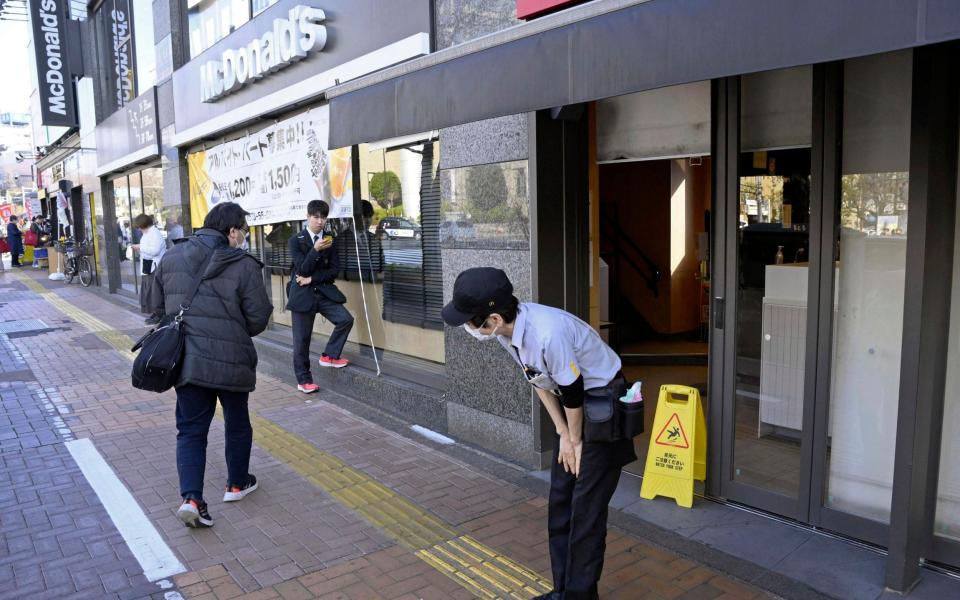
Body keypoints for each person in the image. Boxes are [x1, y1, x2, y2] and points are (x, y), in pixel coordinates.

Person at [441, 268, 635, 600]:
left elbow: (573, 392)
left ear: (495, 318)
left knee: (585, 511)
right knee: (561, 500)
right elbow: (537, 379)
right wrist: (562, 433)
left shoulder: (548, 333)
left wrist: (574, 441)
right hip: (575, 408)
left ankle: (578, 595)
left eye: (471, 322)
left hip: (603, 405)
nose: (469, 329)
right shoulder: (507, 334)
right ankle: (563, 590)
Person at [148, 201, 272, 528]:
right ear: (232, 232)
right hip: (232, 360)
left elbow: (156, 307)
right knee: (237, 419)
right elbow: (259, 318)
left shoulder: (172, 256)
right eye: (243, 231)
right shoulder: (244, 264)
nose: (244, 237)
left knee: (190, 429)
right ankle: (236, 483)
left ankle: (191, 498)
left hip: (188, 360)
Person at [287, 199, 354, 393]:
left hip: (323, 292)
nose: (320, 221)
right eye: (316, 217)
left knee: (345, 319)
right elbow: (301, 268)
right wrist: (315, 250)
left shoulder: (331, 239)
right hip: (302, 296)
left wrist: (312, 279)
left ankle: (329, 355)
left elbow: (334, 270)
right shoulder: (296, 240)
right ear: (307, 217)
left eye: (323, 217)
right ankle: (304, 380)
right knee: (302, 340)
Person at [132, 214, 167, 325]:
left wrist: (140, 247)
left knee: (154, 291)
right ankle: (155, 312)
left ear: (143, 224)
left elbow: (155, 250)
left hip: (154, 266)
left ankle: (159, 314)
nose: (138, 229)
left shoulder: (154, 233)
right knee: (149, 290)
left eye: (139, 226)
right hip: (149, 265)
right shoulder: (148, 233)